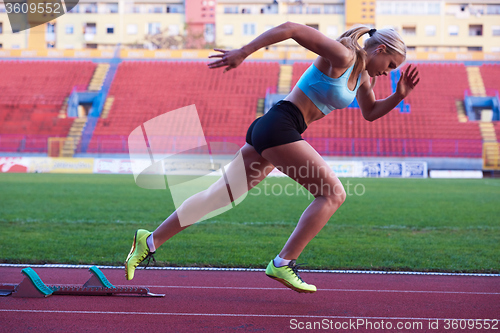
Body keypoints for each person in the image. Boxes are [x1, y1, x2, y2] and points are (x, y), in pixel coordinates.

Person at [124, 22, 420, 293]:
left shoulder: (364, 77)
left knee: (219, 196)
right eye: (391, 64)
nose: (389, 71)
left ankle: (149, 241)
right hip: (281, 124)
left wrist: (399, 95)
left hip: (274, 128)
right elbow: (292, 29)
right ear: (380, 49)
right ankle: (283, 263)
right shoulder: (343, 55)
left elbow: (370, 113)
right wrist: (243, 52)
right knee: (332, 194)